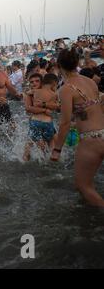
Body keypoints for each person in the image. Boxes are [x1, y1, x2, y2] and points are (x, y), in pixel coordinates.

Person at [50, 48, 104, 207]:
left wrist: (57, 149)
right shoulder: (90, 81)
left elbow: (65, 122)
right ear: (78, 62)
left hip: (90, 140)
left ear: (59, 66)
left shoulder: (66, 90)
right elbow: (98, 108)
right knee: (84, 186)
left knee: (83, 186)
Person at [23, 74, 59, 160]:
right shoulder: (29, 94)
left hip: (42, 122)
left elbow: (57, 106)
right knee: (35, 144)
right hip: (41, 121)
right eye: (31, 82)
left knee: (54, 143)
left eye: (37, 81)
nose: (34, 83)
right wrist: (45, 110)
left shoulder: (38, 92)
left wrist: (44, 104)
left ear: (42, 82)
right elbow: (28, 109)